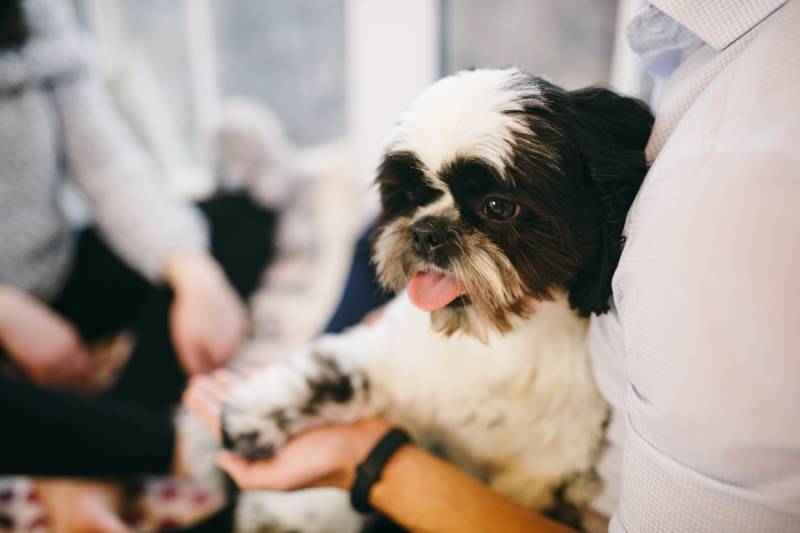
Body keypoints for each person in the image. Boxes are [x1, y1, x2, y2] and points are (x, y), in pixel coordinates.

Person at [185, 1, 800, 532]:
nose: (430, 227)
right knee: (360, 250)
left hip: (516, 485)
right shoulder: (713, 57)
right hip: (434, 399)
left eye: (496, 207)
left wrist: (365, 461)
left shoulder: (732, 182)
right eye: (416, 197)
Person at [0, 1, 276, 531]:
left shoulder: (36, 13)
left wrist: (192, 272)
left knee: (238, 222)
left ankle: (90, 469)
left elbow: (108, 167)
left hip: (53, 267)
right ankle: (167, 447)